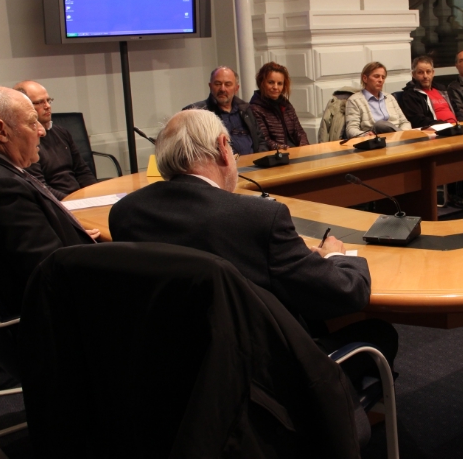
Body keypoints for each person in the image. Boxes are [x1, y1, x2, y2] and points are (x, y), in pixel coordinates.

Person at [108, 109, 397, 390]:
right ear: (223, 147)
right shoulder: (258, 217)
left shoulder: (126, 212)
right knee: (380, 333)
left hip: (167, 370)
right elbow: (346, 293)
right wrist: (335, 255)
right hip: (258, 378)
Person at [0, 87, 97, 315]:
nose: (41, 132)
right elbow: (50, 271)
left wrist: (67, 230)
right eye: (32, 123)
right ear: (1, 131)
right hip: (59, 314)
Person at [16, 80, 98, 200]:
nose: (47, 106)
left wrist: (96, 194)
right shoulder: (25, 142)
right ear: (24, 106)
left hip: (78, 198)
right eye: (39, 102)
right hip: (58, 203)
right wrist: (72, 202)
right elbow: (41, 187)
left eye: (48, 100)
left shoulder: (62, 132)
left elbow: (82, 171)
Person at [182, 66, 268, 155]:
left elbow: (261, 141)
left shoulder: (246, 109)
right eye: (218, 84)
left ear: (236, 89)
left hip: (253, 162)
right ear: (210, 86)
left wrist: (260, 160)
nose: (222, 89)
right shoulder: (197, 113)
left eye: (228, 84)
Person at [249, 62, 309, 150]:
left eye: (280, 83)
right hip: (277, 154)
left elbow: (299, 131)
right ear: (262, 83)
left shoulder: (286, 104)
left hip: (295, 151)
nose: (275, 87)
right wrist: (285, 149)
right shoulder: (255, 108)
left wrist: (304, 146)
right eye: (271, 82)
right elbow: (264, 140)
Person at [345, 62, 411, 137]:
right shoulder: (354, 100)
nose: (381, 80)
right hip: (374, 138)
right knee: (380, 125)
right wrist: (365, 135)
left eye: (383, 77)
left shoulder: (390, 97)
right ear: (365, 78)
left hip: (396, 137)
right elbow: (351, 129)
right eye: (376, 76)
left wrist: (402, 133)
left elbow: (405, 122)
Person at [397, 56, 457, 128]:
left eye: (428, 72)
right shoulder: (410, 94)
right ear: (414, 74)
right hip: (436, 129)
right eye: (420, 72)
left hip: (456, 126)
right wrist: (444, 125)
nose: (425, 76)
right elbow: (418, 120)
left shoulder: (442, 90)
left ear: (433, 73)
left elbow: (456, 109)